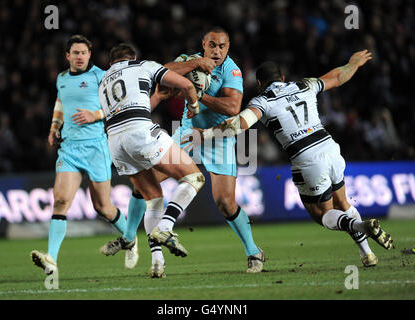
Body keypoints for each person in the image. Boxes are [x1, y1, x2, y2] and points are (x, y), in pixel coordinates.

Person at [184, 50, 394, 267]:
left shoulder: (262, 101)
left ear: (259, 83)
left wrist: (205, 134)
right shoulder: (305, 85)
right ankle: (367, 255)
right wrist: (354, 63)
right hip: (330, 147)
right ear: (282, 78)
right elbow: (338, 76)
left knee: (323, 214)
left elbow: (238, 125)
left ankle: (361, 227)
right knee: (343, 202)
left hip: (307, 157)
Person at [30, 35, 138, 275]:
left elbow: (118, 105)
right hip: (69, 148)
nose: (79, 57)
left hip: (96, 147)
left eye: (84, 53)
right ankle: (52, 260)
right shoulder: (62, 78)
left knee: (103, 207)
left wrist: (95, 115)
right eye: (75, 53)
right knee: (60, 201)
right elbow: (60, 102)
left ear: (90, 55)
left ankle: (130, 239)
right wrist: (54, 126)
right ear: (67, 56)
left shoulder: (101, 76)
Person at [98, 43, 205, 278]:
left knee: (154, 199)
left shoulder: (103, 80)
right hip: (140, 133)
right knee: (194, 177)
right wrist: (194, 105)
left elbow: (130, 106)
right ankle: (166, 227)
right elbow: (186, 84)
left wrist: (155, 96)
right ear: (134, 57)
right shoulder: (144, 65)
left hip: (116, 143)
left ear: (111, 63)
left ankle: (157, 263)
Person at [167, 27, 264, 273]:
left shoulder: (231, 70)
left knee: (224, 201)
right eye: (212, 45)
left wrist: (198, 94)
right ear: (204, 44)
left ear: (228, 47)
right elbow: (162, 72)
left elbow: (233, 108)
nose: (217, 50)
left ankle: (253, 251)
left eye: (222, 46)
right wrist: (193, 65)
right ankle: (129, 238)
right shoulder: (189, 61)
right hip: (187, 133)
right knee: (148, 177)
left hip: (218, 137)